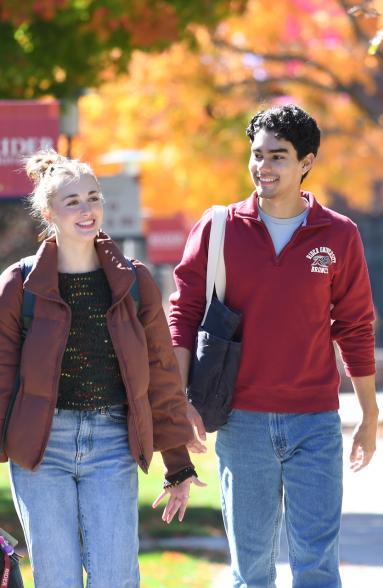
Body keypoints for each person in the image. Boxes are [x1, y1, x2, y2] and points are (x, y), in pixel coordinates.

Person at [169, 104, 378, 587]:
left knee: (318, 568)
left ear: (306, 162)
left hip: (316, 422)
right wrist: (180, 402)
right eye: (257, 155)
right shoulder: (219, 228)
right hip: (241, 422)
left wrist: (368, 415)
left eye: (278, 156)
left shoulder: (339, 235)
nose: (264, 167)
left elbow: (355, 327)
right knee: (252, 571)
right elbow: (182, 315)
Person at [0, 150, 205, 588]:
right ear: (49, 212)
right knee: (57, 580)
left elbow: (161, 374)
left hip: (113, 445)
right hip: (41, 450)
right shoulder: (19, 285)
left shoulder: (134, 281)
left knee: (116, 577)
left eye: (93, 198)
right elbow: (0, 380)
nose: (86, 209)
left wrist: (178, 464)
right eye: (72, 201)